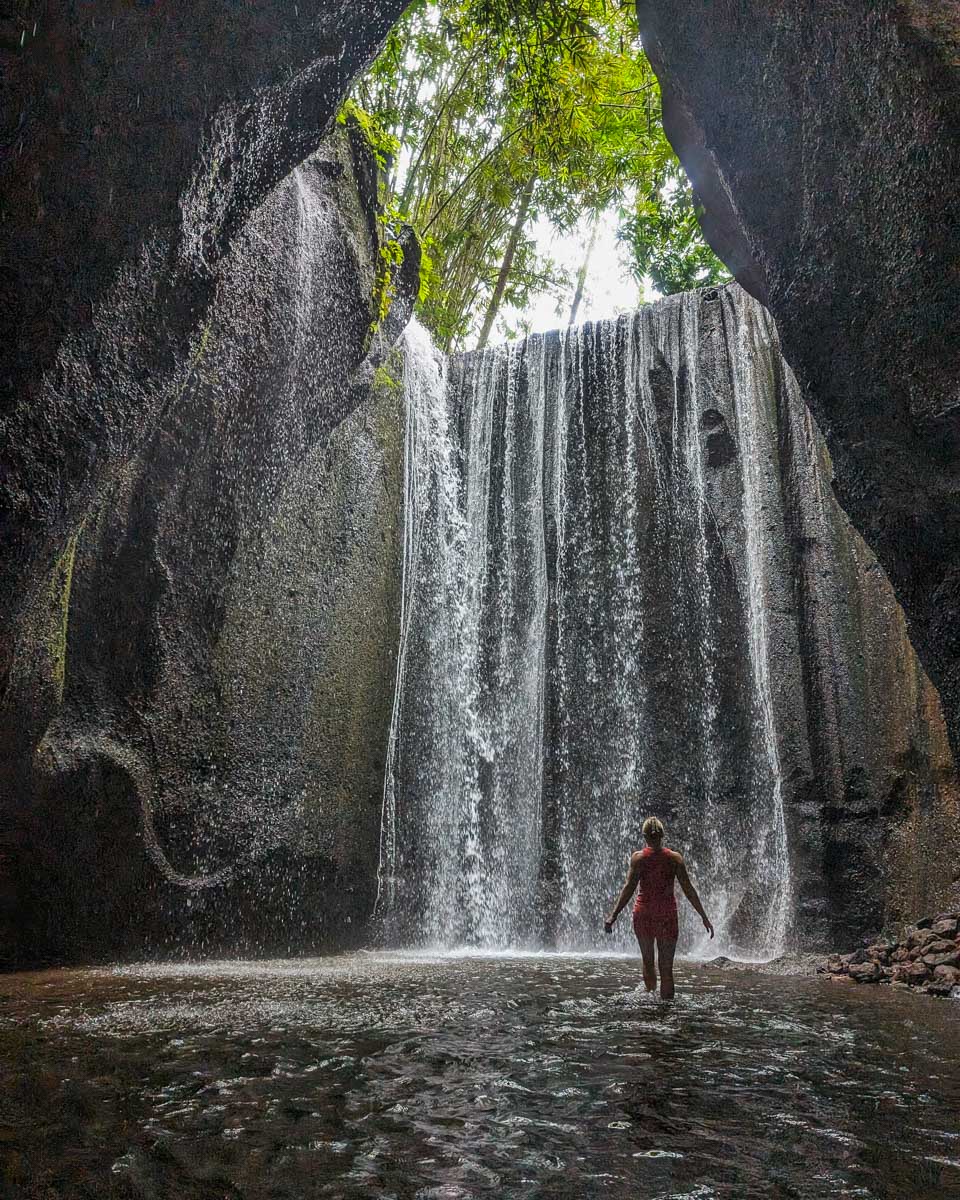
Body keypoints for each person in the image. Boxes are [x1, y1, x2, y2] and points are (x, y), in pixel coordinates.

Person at [603, 816, 714, 999]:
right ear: (662, 834)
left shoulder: (638, 859)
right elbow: (689, 890)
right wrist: (703, 916)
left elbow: (628, 888)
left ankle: (650, 1002)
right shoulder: (674, 859)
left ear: (644, 836)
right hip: (666, 916)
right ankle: (666, 1011)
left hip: (644, 915)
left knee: (648, 962)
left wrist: (613, 916)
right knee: (666, 967)